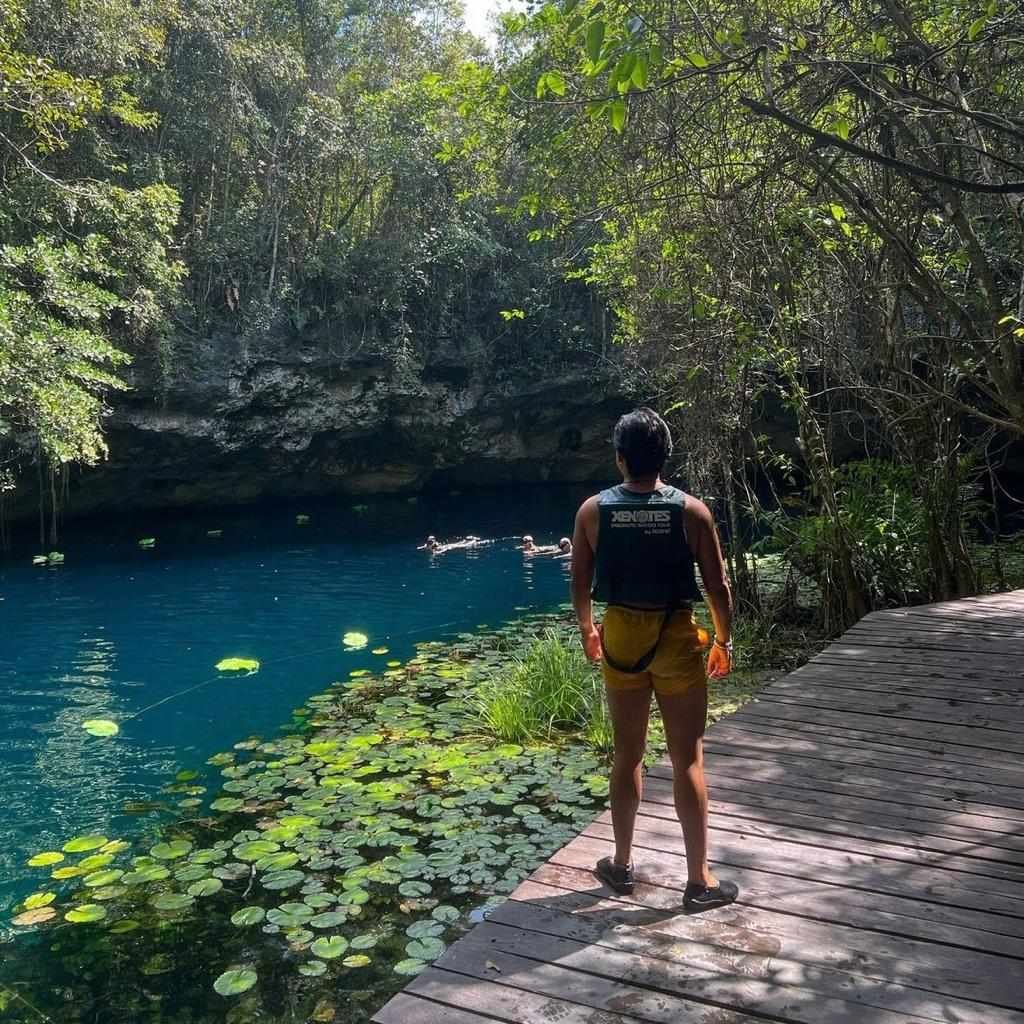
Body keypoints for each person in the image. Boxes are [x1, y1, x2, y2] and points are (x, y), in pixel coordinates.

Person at [570, 407, 737, 911]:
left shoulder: (593, 511)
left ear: (620, 459)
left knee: (628, 754)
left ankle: (621, 865)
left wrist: (586, 629)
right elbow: (718, 587)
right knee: (687, 758)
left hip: (620, 634)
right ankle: (699, 880)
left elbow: (579, 581)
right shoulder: (692, 512)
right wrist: (723, 642)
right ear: (666, 456)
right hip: (675, 635)